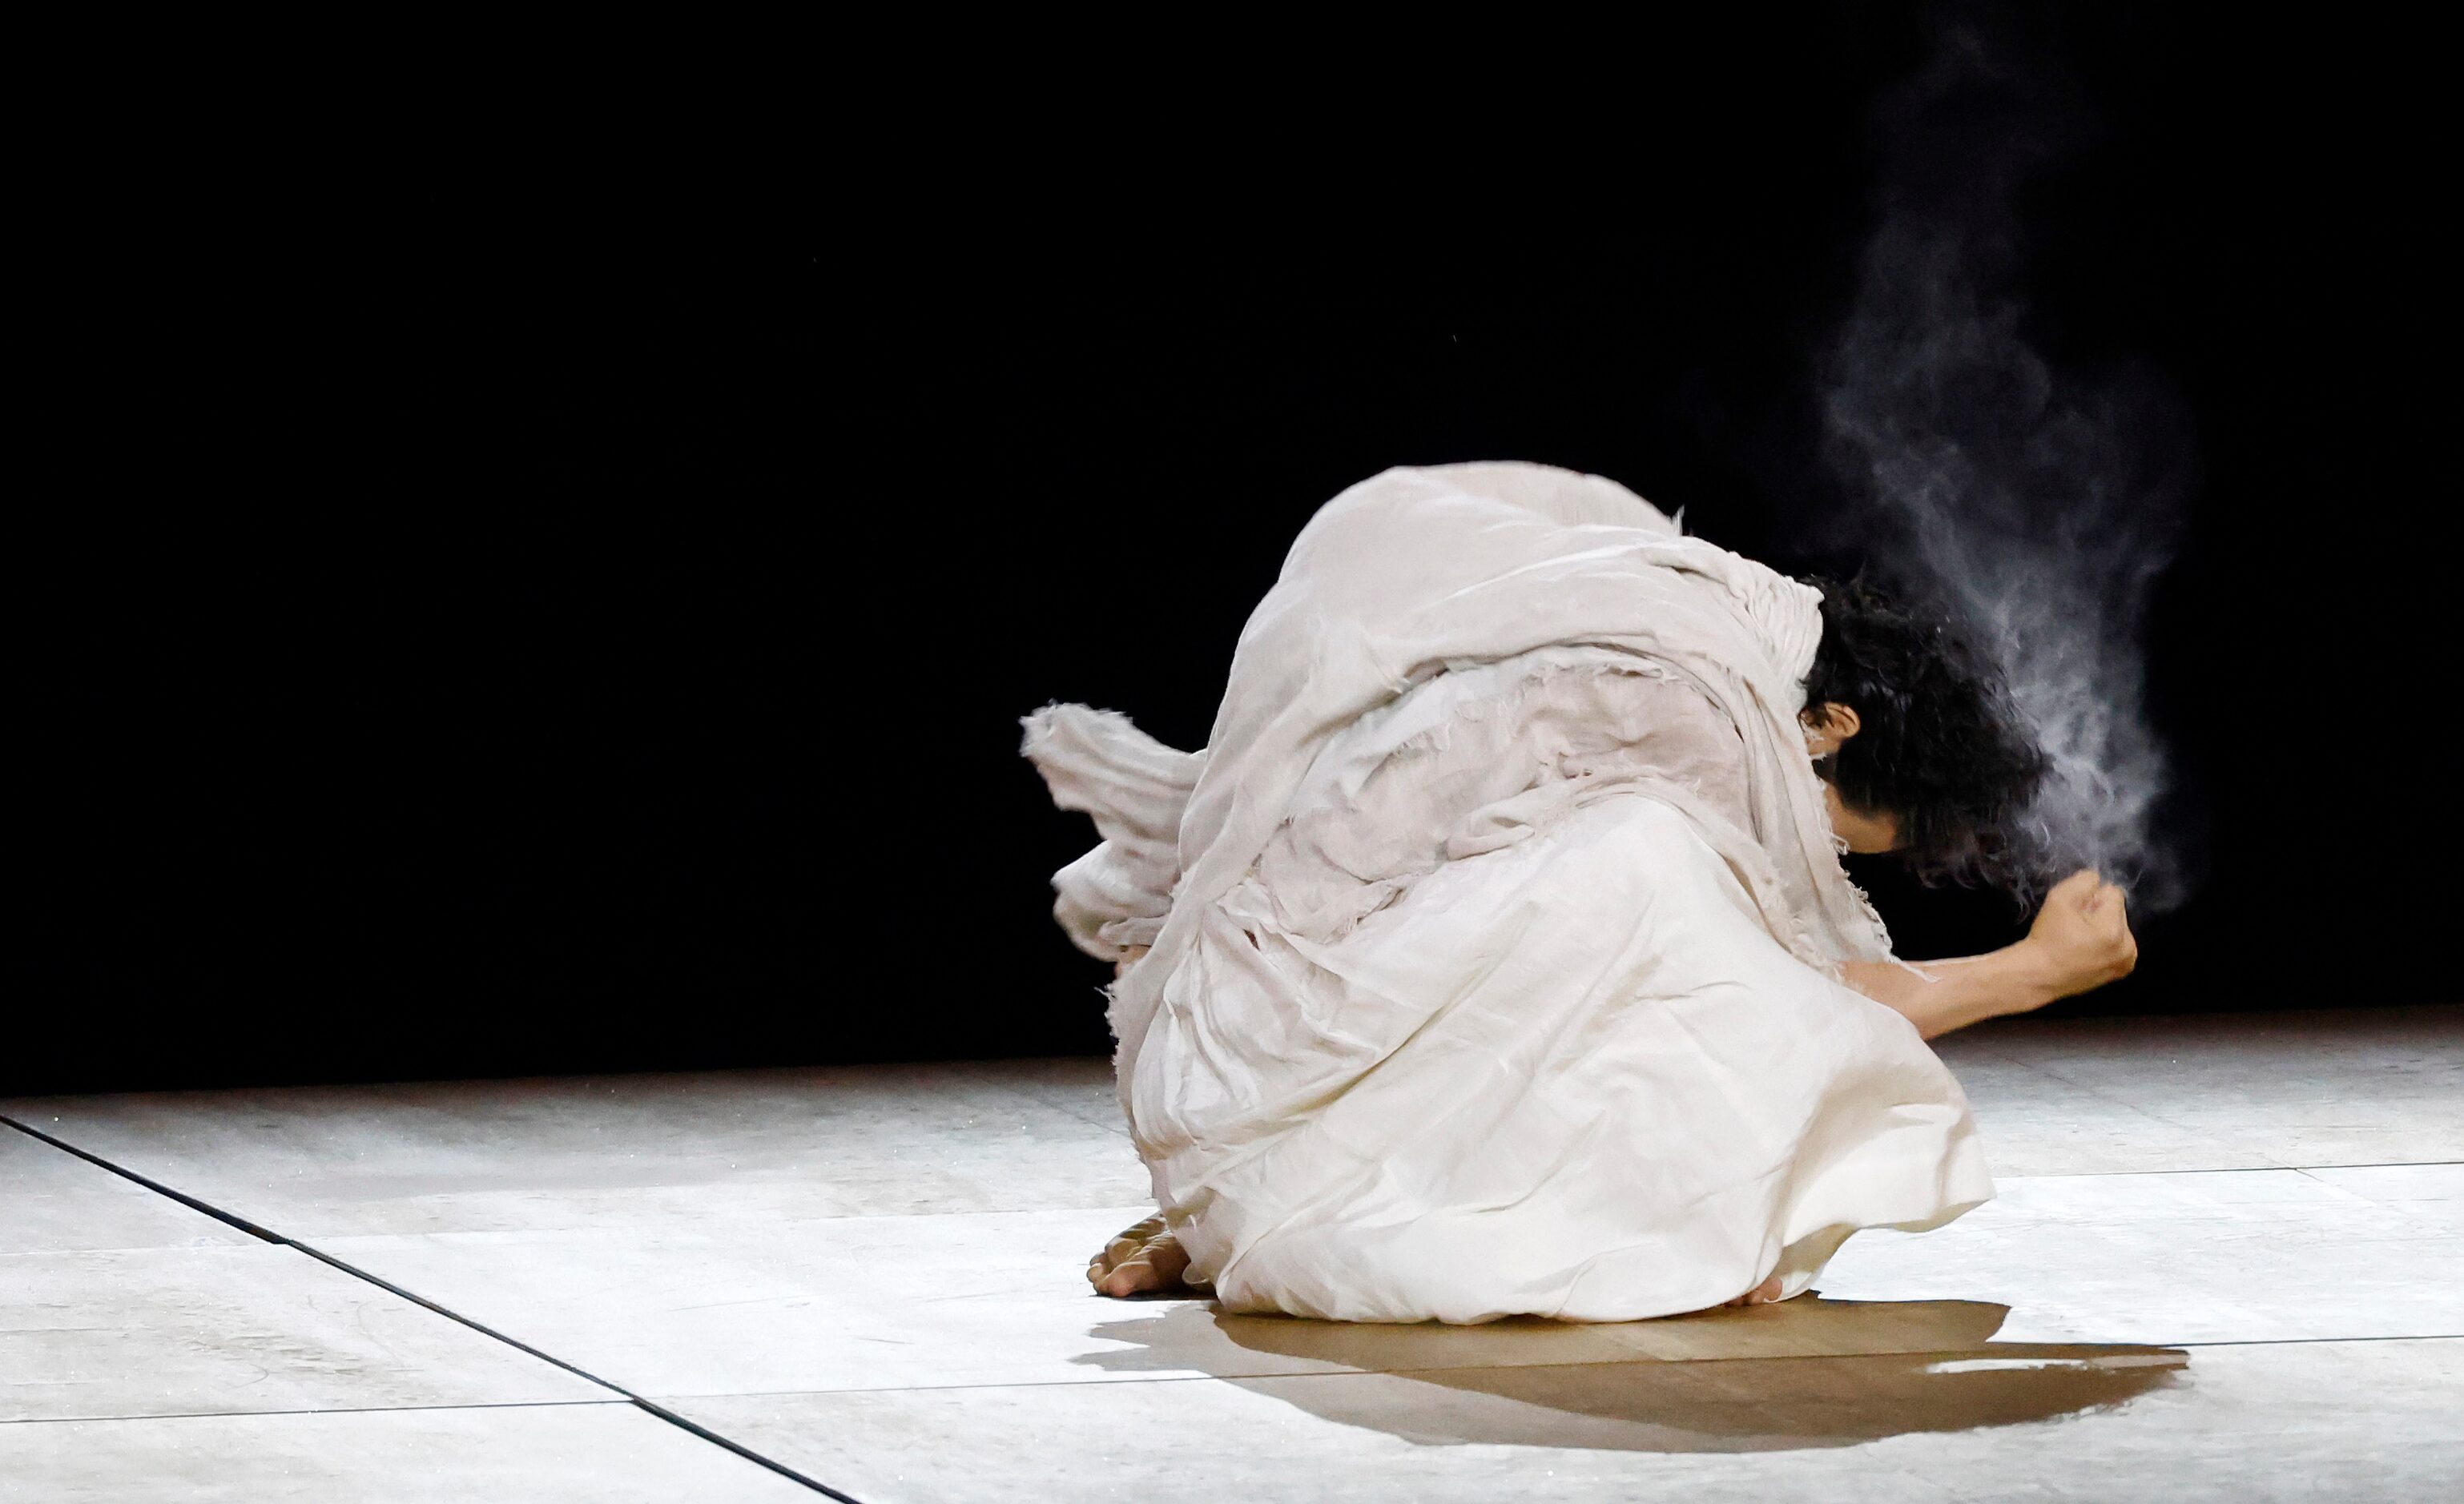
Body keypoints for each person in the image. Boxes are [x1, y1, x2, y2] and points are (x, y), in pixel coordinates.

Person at [1025, 462, 2136, 1323]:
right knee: (1652, 878)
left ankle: (1255, 1204)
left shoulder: (1744, 620)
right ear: (1837, 728)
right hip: (1284, 1004)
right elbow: (1797, 995)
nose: (1839, 852)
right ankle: (1269, 1200)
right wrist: (2029, 972)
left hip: (1316, 957)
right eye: (1865, 827)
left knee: (1647, 904)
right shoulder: (1690, 711)